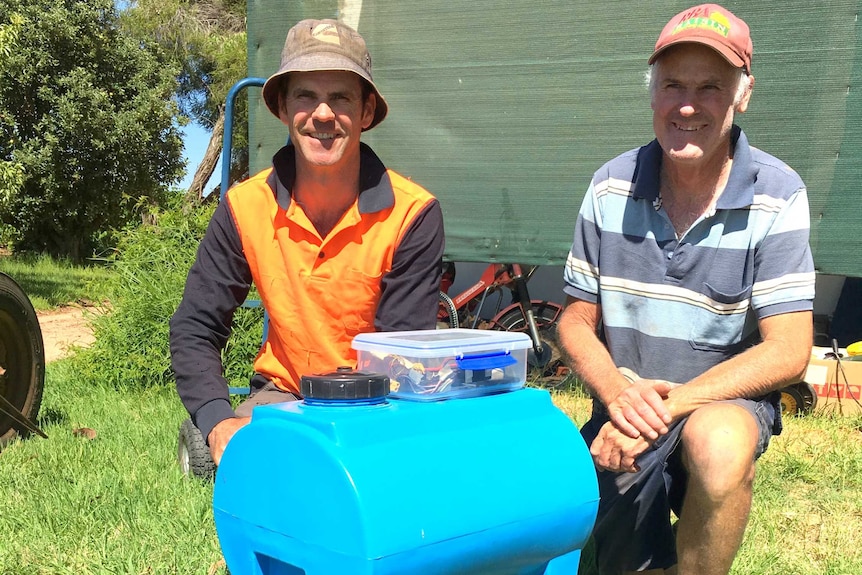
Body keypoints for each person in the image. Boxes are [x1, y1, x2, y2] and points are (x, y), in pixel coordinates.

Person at [557, 4, 815, 575]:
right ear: (652, 93)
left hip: (717, 403)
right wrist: (619, 399)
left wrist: (665, 407)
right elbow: (574, 321)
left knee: (718, 445)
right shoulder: (609, 185)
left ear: (742, 94)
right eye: (673, 84)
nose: (688, 105)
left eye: (710, 87)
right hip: (623, 400)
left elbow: (790, 349)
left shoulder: (778, 192)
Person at [170, 19, 445, 466]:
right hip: (285, 396)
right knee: (259, 473)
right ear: (281, 109)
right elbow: (195, 326)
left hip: (377, 406)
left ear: (366, 112)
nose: (322, 114)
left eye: (340, 98)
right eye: (305, 96)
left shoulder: (413, 214)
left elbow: (400, 362)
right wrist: (218, 421)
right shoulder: (245, 206)